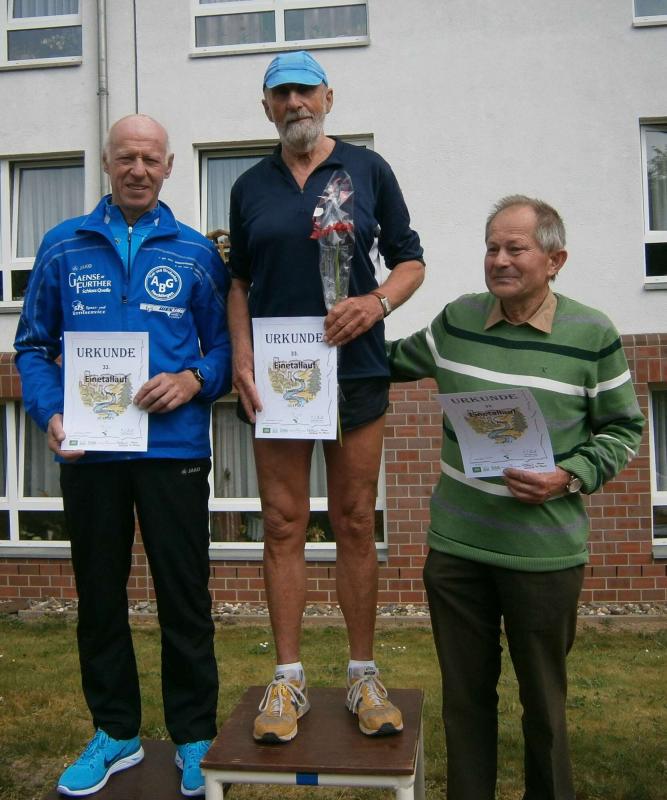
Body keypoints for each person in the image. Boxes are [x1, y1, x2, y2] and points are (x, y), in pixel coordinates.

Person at [387, 195, 645, 800]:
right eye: (492, 248)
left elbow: (624, 429)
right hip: (457, 552)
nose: (499, 260)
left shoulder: (592, 333)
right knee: (464, 701)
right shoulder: (457, 322)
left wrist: (569, 475)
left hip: (543, 555)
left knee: (544, 706)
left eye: (515, 248)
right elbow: (386, 362)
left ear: (555, 260)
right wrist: (306, 339)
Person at [14, 115, 231, 797]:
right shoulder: (62, 244)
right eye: (126, 158)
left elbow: (226, 347)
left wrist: (194, 378)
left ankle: (194, 735)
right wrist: (49, 413)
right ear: (106, 164)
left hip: (174, 451)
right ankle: (116, 733)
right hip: (92, 455)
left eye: (150, 159)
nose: (138, 169)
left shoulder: (196, 253)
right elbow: (32, 346)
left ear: (168, 167)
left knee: (184, 597)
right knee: (100, 597)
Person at [227, 50, 425, 743]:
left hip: (357, 371)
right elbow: (239, 282)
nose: (294, 103)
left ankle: (363, 675)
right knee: (282, 523)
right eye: (281, 94)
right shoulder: (249, 185)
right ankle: (288, 679)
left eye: (304, 91)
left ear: (328, 98)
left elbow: (410, 260)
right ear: (266, 107)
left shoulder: (368, 169)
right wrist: (242, 357)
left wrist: (376, 303)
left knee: (354, 521)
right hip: (279, 378)